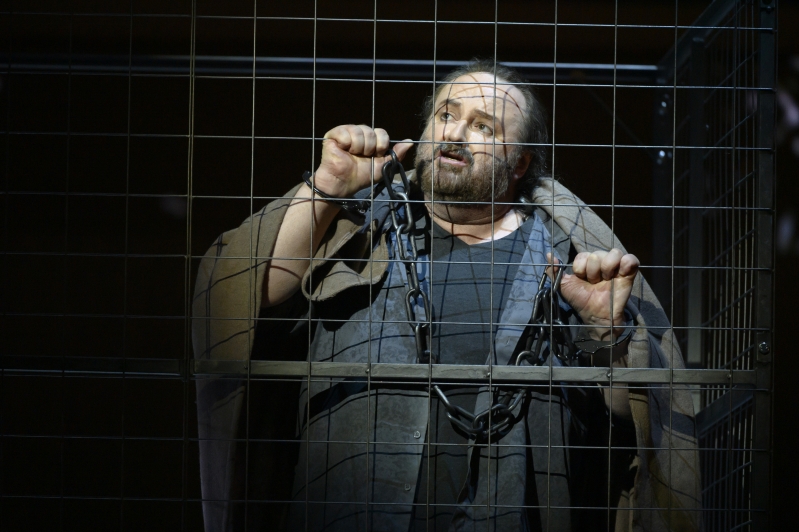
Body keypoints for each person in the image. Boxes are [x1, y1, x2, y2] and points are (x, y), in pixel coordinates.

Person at [192, 60, 702, 532]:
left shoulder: (566, 250)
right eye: (446, 114)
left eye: (484, 126)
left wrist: (604, 332)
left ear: (520, 164)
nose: (456, 133)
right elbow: (247, 289)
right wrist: (328, 184)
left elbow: (629, 419)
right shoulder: (358, 224)